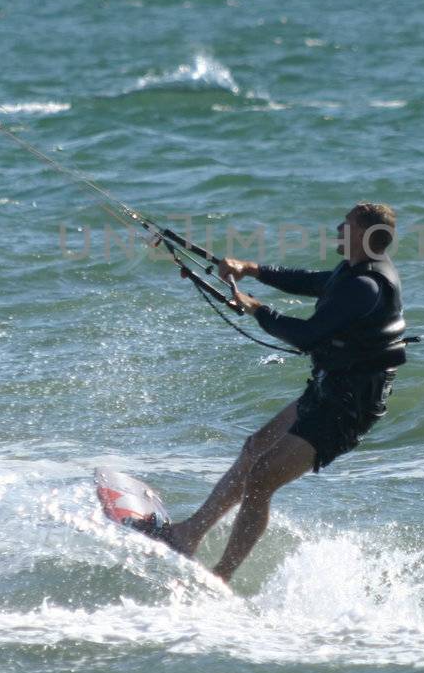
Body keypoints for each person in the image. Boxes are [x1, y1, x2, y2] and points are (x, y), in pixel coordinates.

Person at [153, 202, 409, 583]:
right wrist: (251, 269)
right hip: (331, 388)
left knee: (260, 479)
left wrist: (257, 309)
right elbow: (308, 281)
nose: (338, 230)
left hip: (349, 406)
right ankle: (187, 534)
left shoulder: (365, 286)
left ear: (362, 235)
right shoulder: (351, 272)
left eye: (346, 225)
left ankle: (220, 577)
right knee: (255, 447)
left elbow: (307, 336)